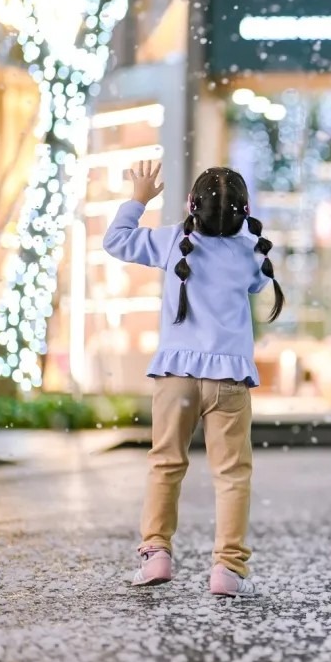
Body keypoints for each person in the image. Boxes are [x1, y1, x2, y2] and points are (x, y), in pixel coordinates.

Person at [103, 162, 285, 597]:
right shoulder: (251, 253)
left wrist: (139, 199)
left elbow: (116, 241)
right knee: (232, 475)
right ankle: (228, 569)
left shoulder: (172, 241)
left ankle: (156, 555)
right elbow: (260, 284)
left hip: (175, 378)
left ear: (191, 206)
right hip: (229, 379)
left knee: (165, 465)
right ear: (245, 211)